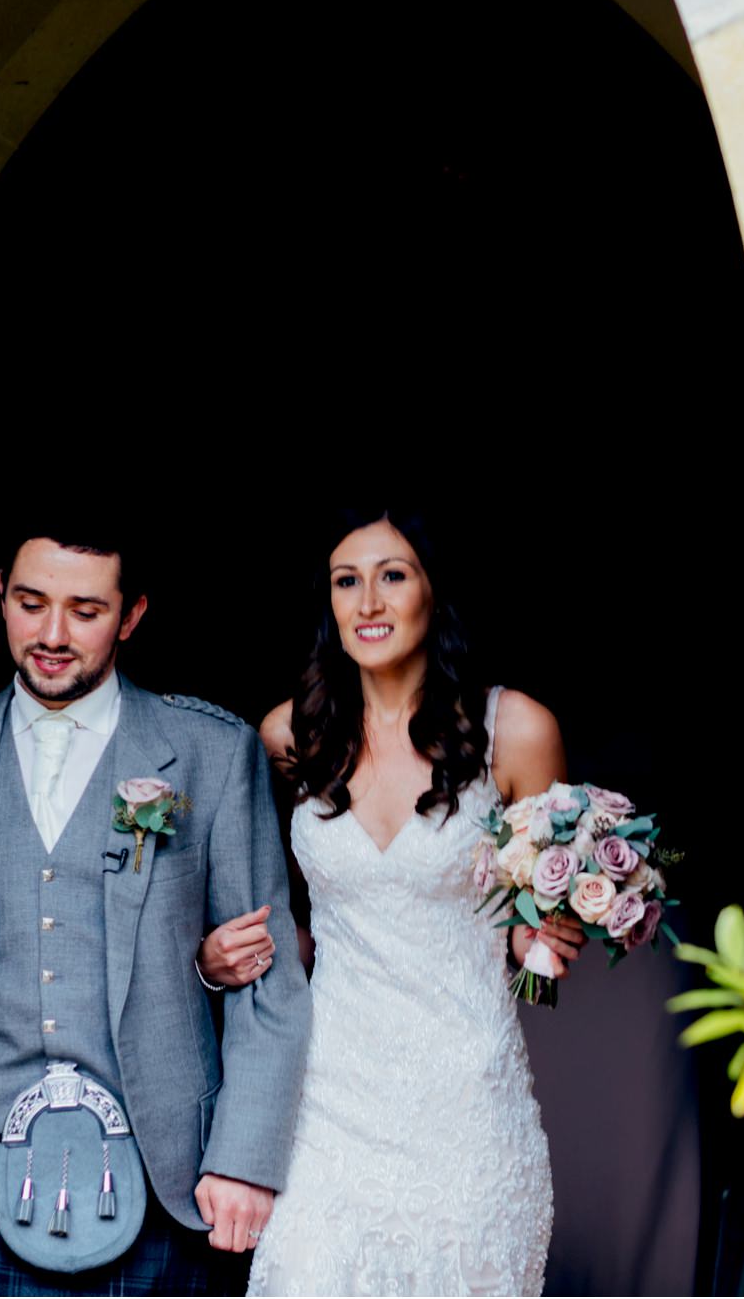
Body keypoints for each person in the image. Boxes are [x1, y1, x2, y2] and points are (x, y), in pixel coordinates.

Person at [0, 519, 311, 1296]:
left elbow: (268, 982)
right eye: (31, 603)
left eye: (86, 612)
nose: (53, 634)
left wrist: (244, 1158)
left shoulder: (209, 751)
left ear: (131, 616)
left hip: (162, 1159)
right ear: (1, 595)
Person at [199, 505, 585, 1296]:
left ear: (432, 594)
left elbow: (540, 966)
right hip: (326, 1100)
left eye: (392, 576)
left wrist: (540, 943)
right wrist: (217, 959)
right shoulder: (288, 735)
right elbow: (269, 909)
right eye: (348, 581)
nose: (368, 602)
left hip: (467, 1102)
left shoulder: (515, 731)